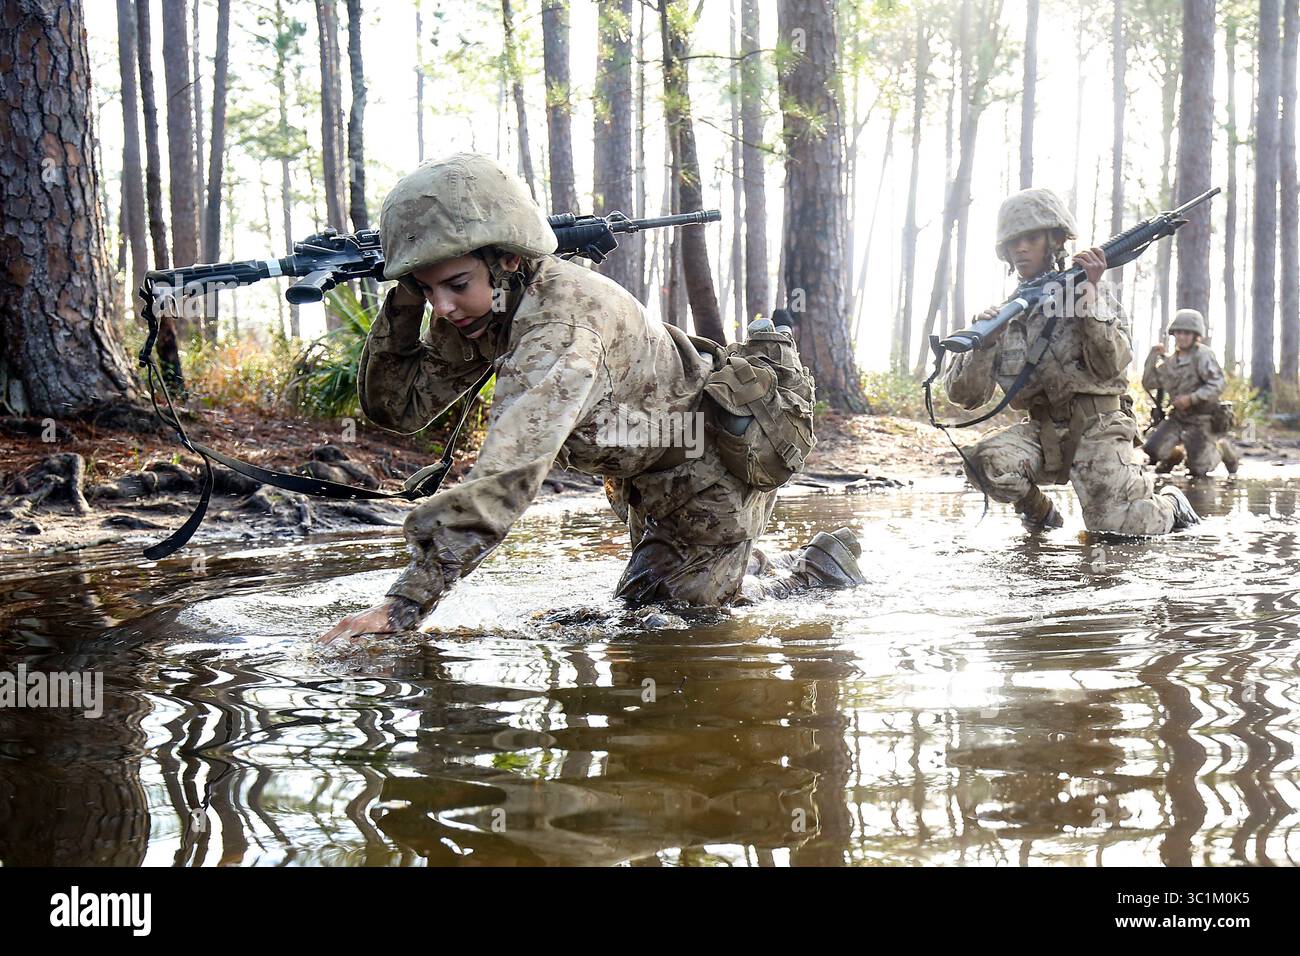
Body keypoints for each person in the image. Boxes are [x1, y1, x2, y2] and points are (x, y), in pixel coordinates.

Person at [319, 153, 864, 643]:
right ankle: (741, 564)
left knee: (669, 626)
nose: (443, 307)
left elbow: (506, 473)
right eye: (426, 287)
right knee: (657, 599)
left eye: (455, 284)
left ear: (507, 258)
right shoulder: (486, 305)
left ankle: (813, 577)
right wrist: (402, 303)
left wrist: (403, 604)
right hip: (644, 469)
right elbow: (398, 407)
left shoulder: (562, 330)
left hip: (706, 466)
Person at [941, 187, 1199, 535]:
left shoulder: (1092, 294)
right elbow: (965, 397)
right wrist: (984, 344)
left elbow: (1113, 363)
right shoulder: (1006, 314)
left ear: (1054, 240)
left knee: (1117, 533)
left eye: (1031, 238)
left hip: (1101, 427)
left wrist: (1089, 298)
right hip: (1044, 430)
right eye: (1013, 241)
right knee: (983, 463)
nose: (1020, 248)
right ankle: (1041, 515)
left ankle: (1171, 505)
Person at [1141, 308, 1240, 477]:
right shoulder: (1170, 362)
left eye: (1187, 333)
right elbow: (1149, 383)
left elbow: (1218, 383)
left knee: (1198, 469)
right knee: (1152, 450)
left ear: (1195, 335)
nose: (1182, 337)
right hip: (1178, 417)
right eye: (1178, 332)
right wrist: (1152, 358)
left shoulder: (1203, 356)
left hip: (1202, 419)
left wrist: (1192, 398)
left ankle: (1222, 451)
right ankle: (1174, 456)